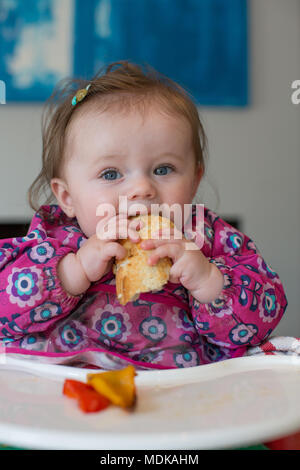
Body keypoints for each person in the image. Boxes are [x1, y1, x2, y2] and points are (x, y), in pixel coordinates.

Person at [0, 61, 287, 370]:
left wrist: (208, 279)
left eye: (163, 169)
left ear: (194, 181)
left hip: (181, 394)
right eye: (110, 173)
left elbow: (262, 319)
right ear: (67, 197)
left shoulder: (209, 239)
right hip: (67, 391)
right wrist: (73, 271)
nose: (141, 188)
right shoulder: (53, 240)